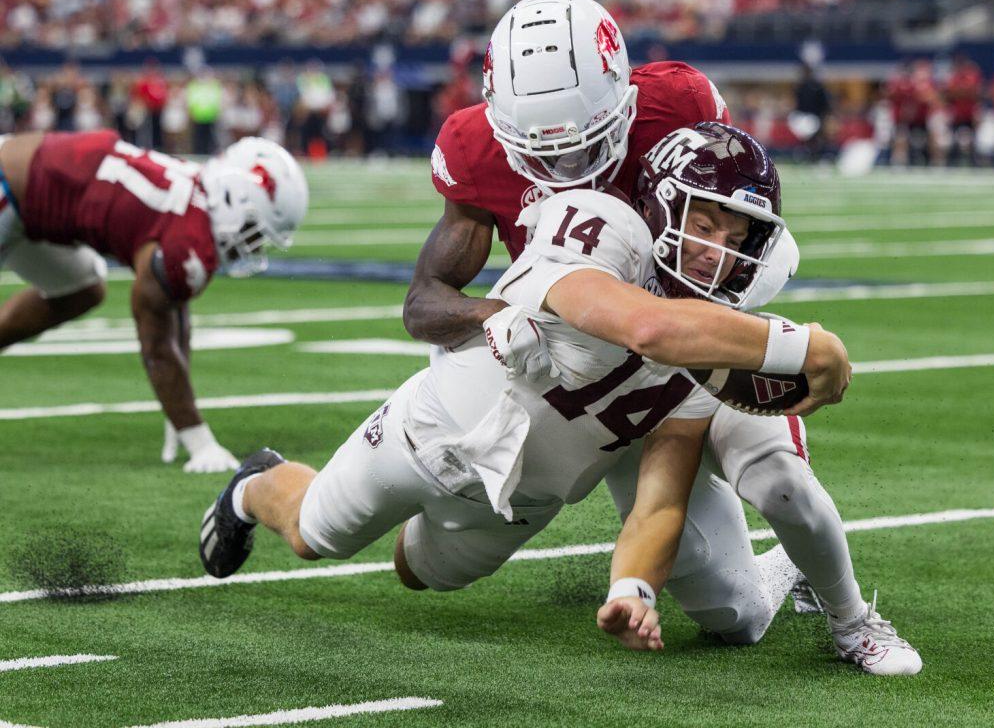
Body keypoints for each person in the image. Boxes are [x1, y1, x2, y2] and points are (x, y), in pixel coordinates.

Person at [403, 0, 920, 673]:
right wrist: (504, 317)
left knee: (781, 484)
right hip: (600, 378)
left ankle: (852, 618)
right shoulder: (476, 149)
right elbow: (423, 306)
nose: (569, 162)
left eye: (587, 134)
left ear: (619, 94)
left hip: (698, 347)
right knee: (735, 615)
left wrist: (746, 304)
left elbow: (747, 216)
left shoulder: (676, 105)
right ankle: (767, 575)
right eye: (541, 146)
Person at [200, 123, 844, 655]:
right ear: (659, 203)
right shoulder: (602, 229)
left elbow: (658, 504)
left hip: (521, 500)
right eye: (705, 223)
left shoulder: (711, 360)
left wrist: (633, 591)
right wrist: (802, 344)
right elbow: (648, 327)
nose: (715, 252)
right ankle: (255, 486)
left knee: (417, 572)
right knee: (316, 534)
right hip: (430, 430)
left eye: (736, 240)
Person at [0, 131, 308, 472]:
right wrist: (198, 439)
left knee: (83, 288)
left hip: (26, 192)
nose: (252, 247)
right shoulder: (188, 242)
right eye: (254, 231)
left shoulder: (196, 198)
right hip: (9, 188)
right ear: (234, 200)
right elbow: (157, 345)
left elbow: (175, 310)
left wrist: (179, 404)